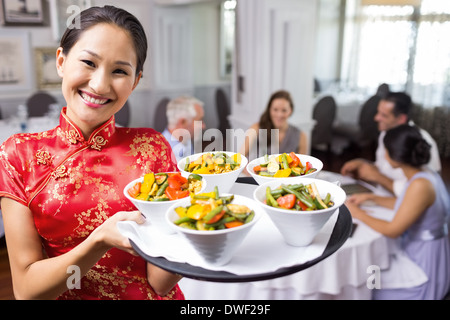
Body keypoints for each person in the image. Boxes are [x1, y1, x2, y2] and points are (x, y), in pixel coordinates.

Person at [0, 6, 184, 300]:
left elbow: (161, 282)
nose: (99, 84)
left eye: (120, 71)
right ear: (61, 61)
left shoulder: (152, 147)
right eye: (88, 62)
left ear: (135, 81)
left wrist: (191, 233)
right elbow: (26, 291)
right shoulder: (17, 155)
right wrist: (99, 240)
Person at [346, 125, 450, 300]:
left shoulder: (420, 185)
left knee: (369, 279)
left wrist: (357, 213)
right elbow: (409, 205)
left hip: (423, 263)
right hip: (427, 251)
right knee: (372, 267)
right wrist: (370, 198)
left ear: (392, 155)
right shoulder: (425, 173)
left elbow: (393, 230)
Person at [340, 91, 441, 196]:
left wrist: (378, 177)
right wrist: (363, 164)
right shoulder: (386, 133)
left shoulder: (421, 141)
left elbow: (425, 192)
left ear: (401, 119)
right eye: (378, 112)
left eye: (383, 115)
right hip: (382, 195)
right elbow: (383, 167)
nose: (376, 118)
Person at [240, 90, 308, 161]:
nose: (279, 115)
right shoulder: (256, 128)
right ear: (269, 110)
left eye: (284, 110)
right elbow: (241, 159)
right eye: (275, 109)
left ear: (290, 111)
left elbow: (302, 165)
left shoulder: (301, 136)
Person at [161, 96, 205, 161]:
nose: (203, 126)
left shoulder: (186, 139)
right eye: (200, 120)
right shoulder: (163, 155)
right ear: (183, 122)